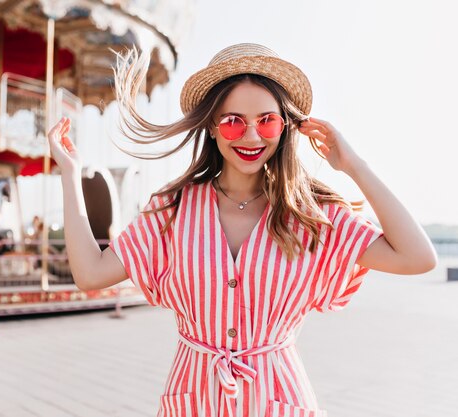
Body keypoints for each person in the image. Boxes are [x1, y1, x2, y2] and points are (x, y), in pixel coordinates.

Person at [47, 43, 437, 417]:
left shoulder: (311, 216)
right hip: (193, 399)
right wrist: (69, 173)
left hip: (279, 398)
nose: (252, 136)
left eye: (267, 121)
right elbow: (91, 273)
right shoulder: (173, 208)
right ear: (213, 128)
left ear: (284, 128)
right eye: (234, 122)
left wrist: (354, 165)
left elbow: (418, 257)